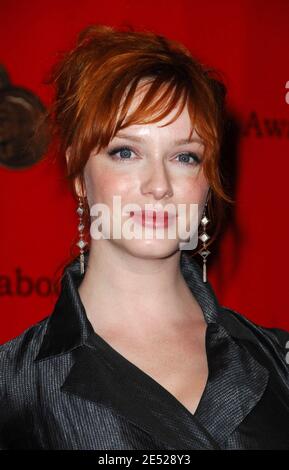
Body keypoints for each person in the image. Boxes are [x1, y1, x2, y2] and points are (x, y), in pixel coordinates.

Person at [0, 24, 289, 451]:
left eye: (185, 156)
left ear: (208, 182)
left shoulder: (275, 358)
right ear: (80, 173)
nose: (159, 184)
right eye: (126, 152)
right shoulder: (14, 384)